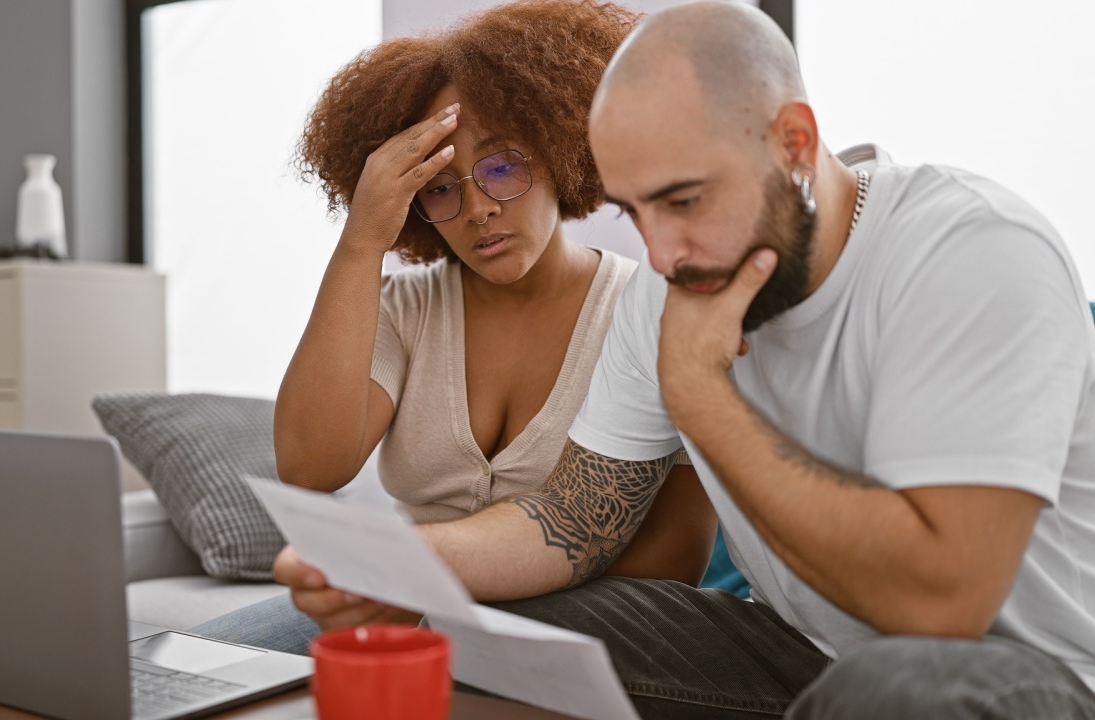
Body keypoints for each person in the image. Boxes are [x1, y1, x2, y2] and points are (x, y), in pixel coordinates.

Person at [276, 1, 1095, 717]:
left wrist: (699, 394)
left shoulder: (971, 252)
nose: (663, 254)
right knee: (486, 637)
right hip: (801, 655)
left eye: (684, 200)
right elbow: (572, 524)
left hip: (1024, 677)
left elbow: (941, 607)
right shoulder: (663, 291)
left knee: (895, 689)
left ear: (795, 142)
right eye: (636, 213)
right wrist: (393, 568)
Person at [191, 0, 719, 655]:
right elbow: (308, 468)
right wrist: (361, 241)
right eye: (439, 188)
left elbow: (674, 561)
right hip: (402, 601)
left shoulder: (646, 312)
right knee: (188, 672)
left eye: (501, 167)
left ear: (561, 148)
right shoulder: (402, 309)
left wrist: (457, 601)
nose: (477, 210)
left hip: (579, 624)